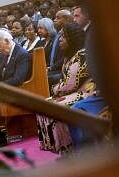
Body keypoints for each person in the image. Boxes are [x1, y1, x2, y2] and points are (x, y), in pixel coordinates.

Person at [36, 22, 97, 155]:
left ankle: (70, 149)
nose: (60, 39)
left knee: (55, 108)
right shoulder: (70, 55)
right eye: (60, 36)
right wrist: (57, 91)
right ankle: (62, 150)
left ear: (72, 38)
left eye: (64, 36)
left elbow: (70, 84)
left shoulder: (81, 54)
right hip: (74, 91)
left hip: (86, 92)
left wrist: (55, 90)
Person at [37, 18, 64, 85]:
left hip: (54, 69)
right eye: (38, 28)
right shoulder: (41, 42)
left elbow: (60, 60)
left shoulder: (56, 41)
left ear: (48, 28)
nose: (38, 30)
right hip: (43, 68)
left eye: (41, 28)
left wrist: (50, 68)